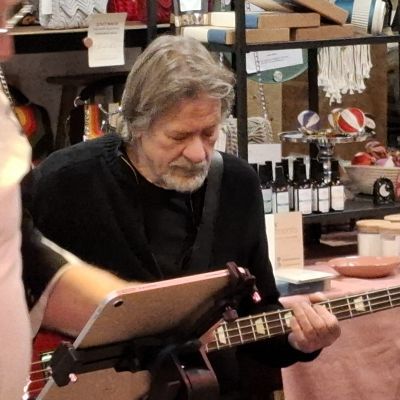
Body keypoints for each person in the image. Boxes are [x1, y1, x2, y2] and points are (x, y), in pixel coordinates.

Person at [23, 35, 340, 398]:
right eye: (178, 136)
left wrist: (300, 341)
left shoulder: (236, 185)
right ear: (136, 125)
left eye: (209, 133)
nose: (198, 153)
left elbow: (255, 312)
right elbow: (22, 298)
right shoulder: (66, 182)